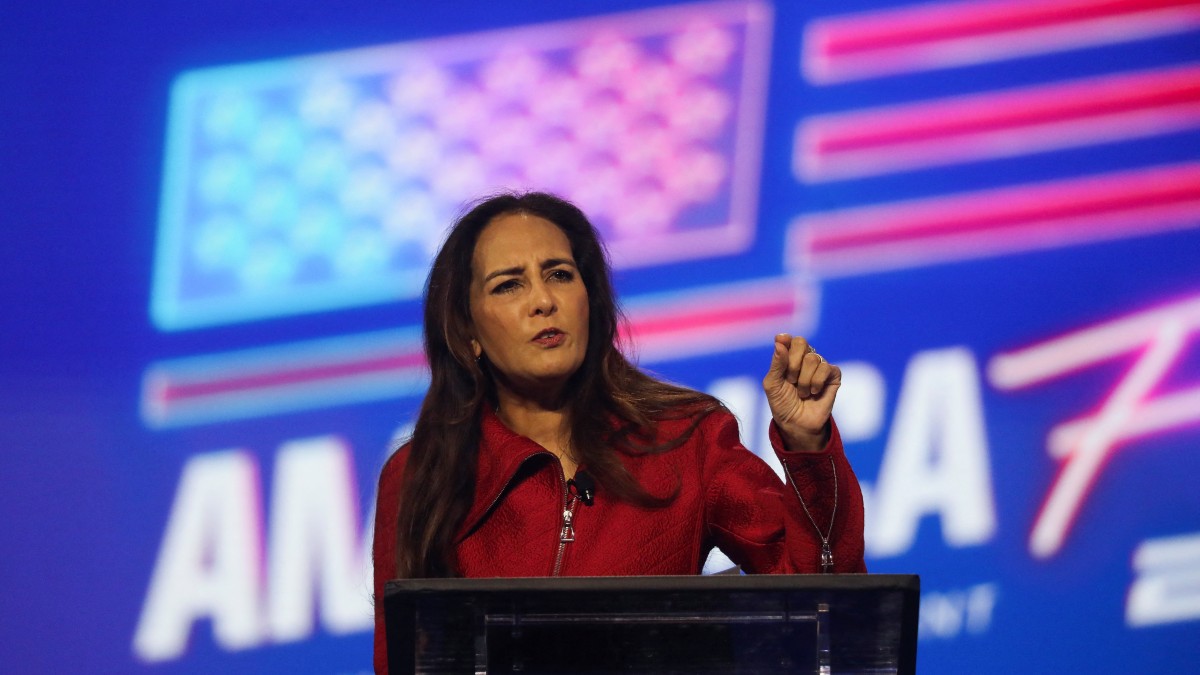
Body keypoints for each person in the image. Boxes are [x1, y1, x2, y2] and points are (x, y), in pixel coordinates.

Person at [371, 192, 865, 672]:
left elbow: (819, 595)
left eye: (560, 275)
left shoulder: (685, 438)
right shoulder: (419, 476)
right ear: (467, 333)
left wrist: (807, 446)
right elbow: (400, 661)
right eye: (508, 285)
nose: (543, 301)